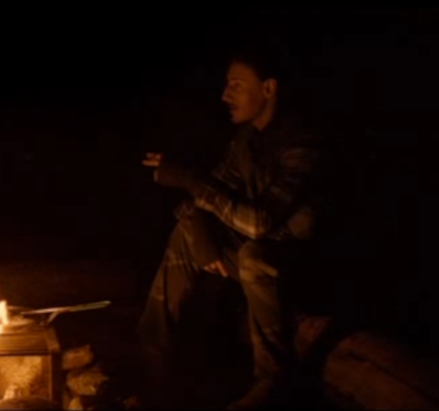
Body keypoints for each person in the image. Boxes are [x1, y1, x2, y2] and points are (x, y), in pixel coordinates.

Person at [137, 48, 322, 409]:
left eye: (236, 85)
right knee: (187, 236)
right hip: (264, 259)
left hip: (307, 269)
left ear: (268, 89)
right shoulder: (247, 141)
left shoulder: (303, 145)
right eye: (226, 85)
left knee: (254, 254)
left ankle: (274, 381)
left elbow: (258, 222)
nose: (225, 95)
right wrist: (200, 230)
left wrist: (190, 179)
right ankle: (150, 367)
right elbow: (211, 194)